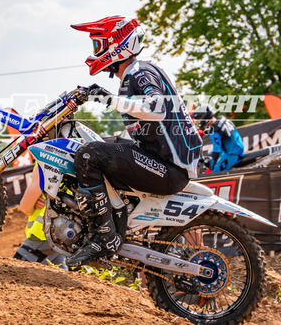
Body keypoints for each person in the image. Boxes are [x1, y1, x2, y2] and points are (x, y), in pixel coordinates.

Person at [66, 15, 203, 267]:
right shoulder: (132, 76)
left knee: (89, 154)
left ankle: (104, 237)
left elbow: (157, 107)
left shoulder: (140, 73)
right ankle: (115, 218)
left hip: (169, 169)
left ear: (117, 44)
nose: (96, 52)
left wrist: (109, 99)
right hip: (160, 162)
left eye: (99, 45)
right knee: (100, 144)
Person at [13, 164, 67, 269]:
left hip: (43, 233)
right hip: (64, 235)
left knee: (13, 272)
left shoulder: (44, 163)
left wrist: (33, 203)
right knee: (58, 276)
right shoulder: (71, 163)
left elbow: (25, 207)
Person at [191, 105, 244, 173]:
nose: (199, 122)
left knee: (212, 174)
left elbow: (217, 151)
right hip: (237, 149)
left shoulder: (214, 132)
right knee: (210, 156)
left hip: (232, 155)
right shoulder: (222, 119)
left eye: (199, 119)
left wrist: (211, 167)